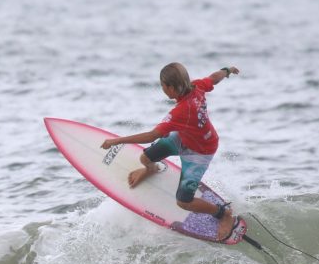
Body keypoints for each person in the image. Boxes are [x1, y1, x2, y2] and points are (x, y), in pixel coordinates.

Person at [101, 62, 240, 241]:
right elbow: (214, 78)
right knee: (146, 157)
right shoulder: (197, 86)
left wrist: (117, 141)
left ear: (171, 88)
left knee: (184, 201)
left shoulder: (180, 112)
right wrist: (227, 70)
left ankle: (223, 214)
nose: (162, 89)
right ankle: (152, 168)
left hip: (200, 152)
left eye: (163, 86)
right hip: (184, 138)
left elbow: (152, 135)